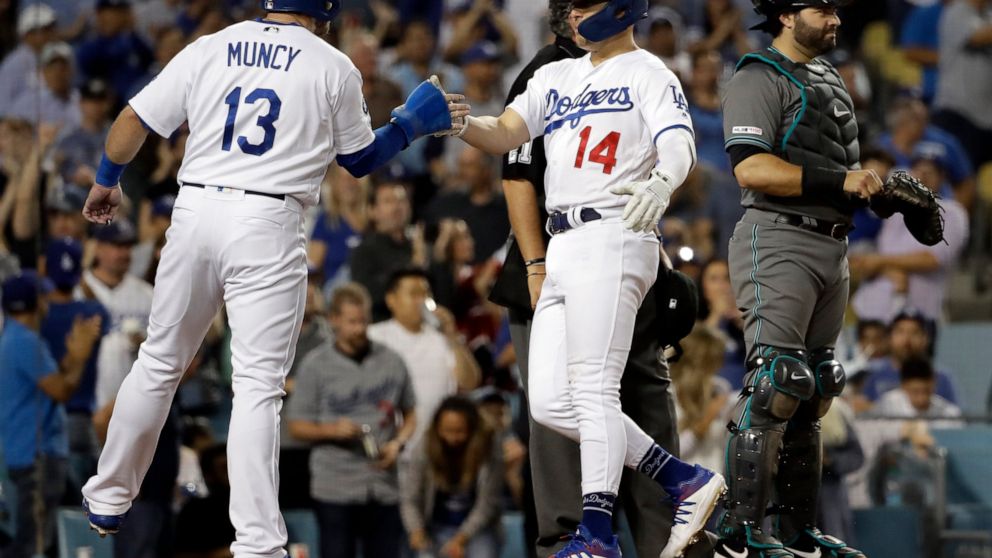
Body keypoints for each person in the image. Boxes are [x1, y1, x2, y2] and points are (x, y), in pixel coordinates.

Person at [78, 5, 465, 558]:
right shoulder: (333, 65)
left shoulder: (212, 44)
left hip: (194, 210)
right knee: (258, 387)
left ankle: (109, 496)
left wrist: (107, 180)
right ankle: (258, 543)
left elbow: (133, 119)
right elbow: (359, 159)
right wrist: (408, 125)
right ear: (324, 10)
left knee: (159, 362)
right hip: (267, 219)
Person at [453, 1, 727, 556]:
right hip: (561, 243)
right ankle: (682, 480)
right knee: (550, 403)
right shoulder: (554, 73)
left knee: (593, 390)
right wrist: (457, 122)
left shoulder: (649, 70)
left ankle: (597, 535)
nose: (574, 13)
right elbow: (505, 134)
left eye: (585, 3)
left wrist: (663, 180)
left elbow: (679, 141)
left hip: (616, 228)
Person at [717, 1, 885, 555]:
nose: (836, 17)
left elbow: (835, 175)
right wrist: (843, 180)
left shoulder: (830, 76)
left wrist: (887, 197)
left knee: (816, 387)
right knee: (777, 381)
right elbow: (751, 167)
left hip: (832, 244)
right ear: (787, 15)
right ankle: (737, 532)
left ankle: (796, 531)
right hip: (780, 235)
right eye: (824, 7)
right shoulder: (759, 74)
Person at [287, 283, 416, 558]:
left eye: (364, 321)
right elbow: (296, 425)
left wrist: (398, 444)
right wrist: (331, 430)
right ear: (334, 319)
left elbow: (411, 413)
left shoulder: (391, 360)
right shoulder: (315, 365)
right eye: (352, 322)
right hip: (335, 485)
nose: (359, 328)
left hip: (383, 485)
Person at [0, 272, 102, 558]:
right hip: (37, 458)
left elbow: (49, 380)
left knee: (46, 538)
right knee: (33, 545)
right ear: (34, 303)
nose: (48, 302)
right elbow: (61, 391)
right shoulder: (24, 341)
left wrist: (70, 358)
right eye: (43, 297)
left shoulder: (15, 338)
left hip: (32, 456)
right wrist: (80, 357)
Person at [368, 269, 481, 446]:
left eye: (426, 293)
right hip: (394, 442)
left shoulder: (441, 339)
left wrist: (452, 336)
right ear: (391, 299)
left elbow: (469, 382)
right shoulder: (375, 337)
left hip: (437, 446)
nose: (421, 300)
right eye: (413, 294)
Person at [400, 396, 504, 558]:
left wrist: (461, 539)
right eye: (447, 430)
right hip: (434, 526)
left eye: (459, 431)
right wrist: (416, 530)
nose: (452, 438)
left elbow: (487, 504)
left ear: (472, 428)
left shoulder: (490, 448)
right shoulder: (424, 447)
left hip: (478, 530)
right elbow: (410, 497)